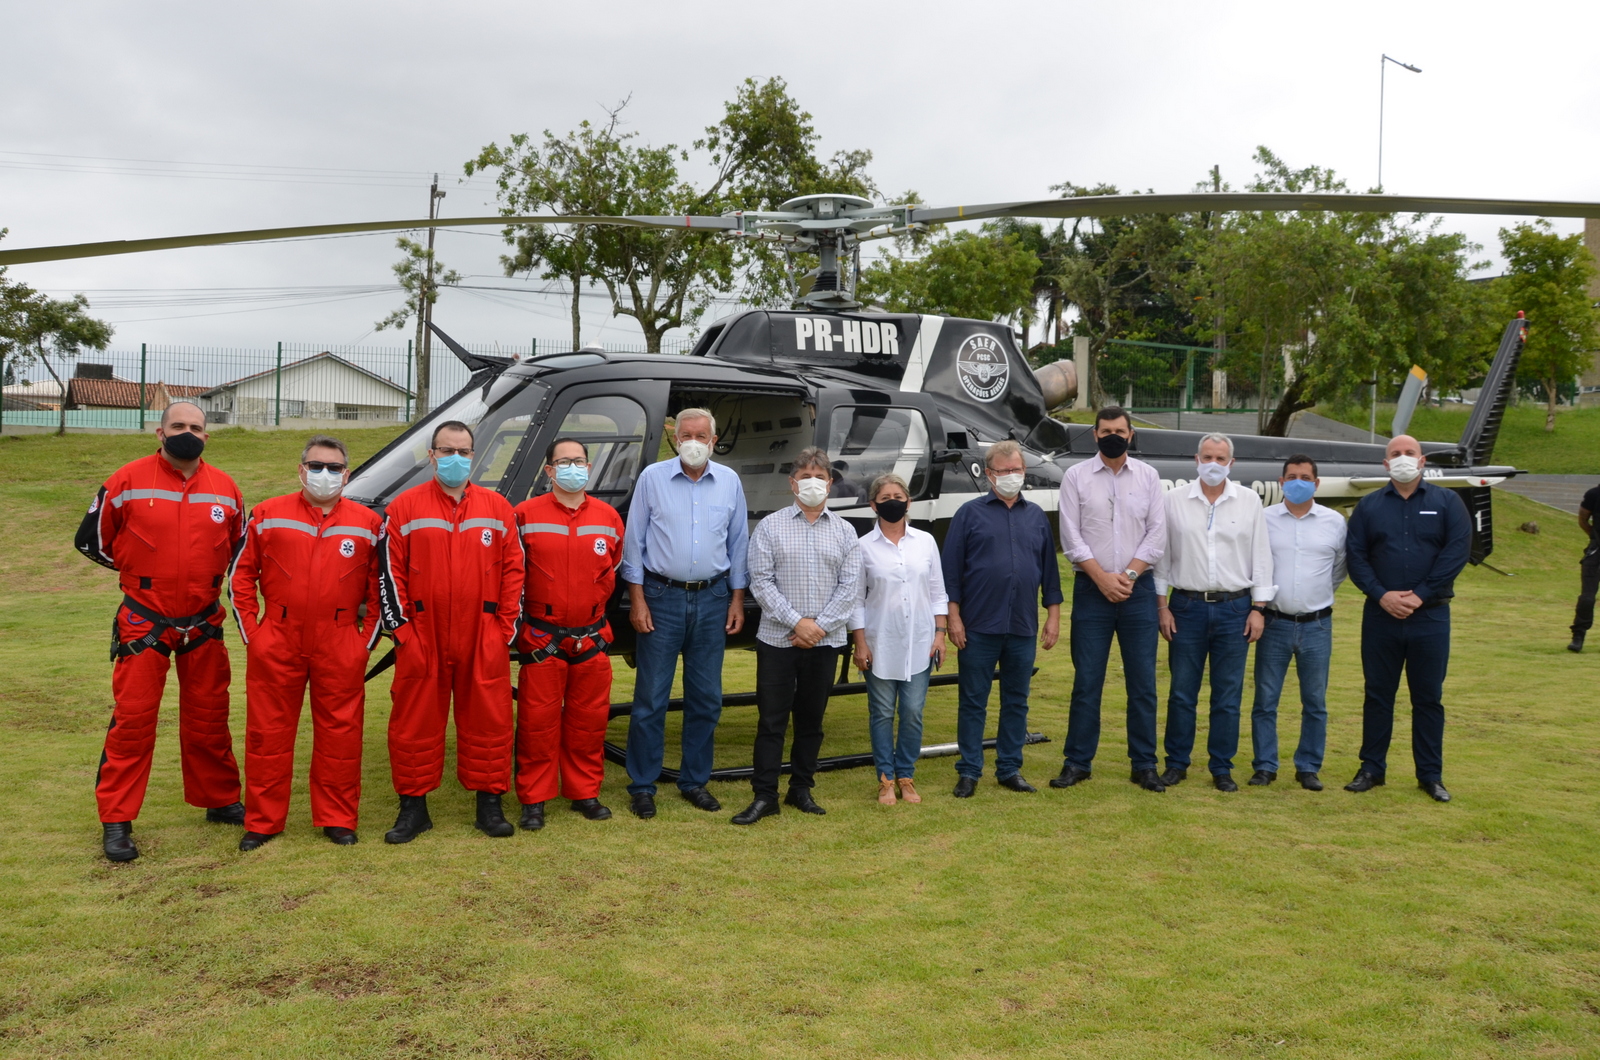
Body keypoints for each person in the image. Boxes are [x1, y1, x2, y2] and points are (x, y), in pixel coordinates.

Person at [75, 401, 246, 862]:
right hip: (143, 619)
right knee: (133, 720)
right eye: (178, 426)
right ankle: (116, 819)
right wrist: (140, 574)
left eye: (195, 427)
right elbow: (92, 541)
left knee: (210, 715)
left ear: (207, 436)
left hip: (204, 620)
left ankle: (220, 799)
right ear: (159, 432)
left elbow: (236, 548)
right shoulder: (126, 480)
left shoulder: (226, 488)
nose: (186, 433)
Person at [229, 435, 381, 849]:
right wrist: (254, 636)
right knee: (267, 734)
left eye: (334, 468)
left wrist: (362, 642)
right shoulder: (267, 514)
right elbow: (241, 577)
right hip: (277, 637)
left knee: (341, 734)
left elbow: (378, 589)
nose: (324, 475)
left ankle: (338, 818)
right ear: (301, 470)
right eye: (316, 466)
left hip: (340, 640)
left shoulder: (367, 523)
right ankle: (262, 822)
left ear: (347, 474)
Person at [376, 419, 524, 841]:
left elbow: (515, 572)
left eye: (463, 452)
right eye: (447, 451)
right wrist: (403, 633)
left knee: (490, 720)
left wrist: (502, 630)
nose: (455, 459)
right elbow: (389, 575)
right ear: (432, 455)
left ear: (474, 456)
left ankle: (489, 805)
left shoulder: (498, 509)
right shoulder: (404, 508)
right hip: (423, 634)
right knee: (413, 723)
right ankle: (413, 810)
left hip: (484, 634)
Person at [621, 408, 748, 820]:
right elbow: (634, 543)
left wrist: (735, 599)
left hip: (712, 599)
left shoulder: (729, 482)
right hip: (661, 598)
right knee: (650, 698)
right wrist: (637, 599)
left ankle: (694, 781)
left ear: (714, 440)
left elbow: (738, 544)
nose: (694, 441)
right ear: (675, 438)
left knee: (706, 698)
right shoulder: (652, 479)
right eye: (686, 434)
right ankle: (642, 785)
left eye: (702, 435)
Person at [734, 448, 864, 824]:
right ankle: (765, 795)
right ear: (792, 483)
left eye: (818, 476)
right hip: (778, 641)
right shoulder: (770, 527)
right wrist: (797, 623)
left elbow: (849, 588)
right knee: (771, 720)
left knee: (811, 720)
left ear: (830, 483)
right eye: (804, 476)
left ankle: (801, 789)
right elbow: (761, 581)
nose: (812, 482)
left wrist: (817, 627)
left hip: (824, 643)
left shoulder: (845, 531)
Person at [1344, 434, 1471, 802]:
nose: (1402, 458)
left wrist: (1420, 594)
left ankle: (1430, 775)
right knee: (1378, 695)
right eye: (1395, 454)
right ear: (1385, 464)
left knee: (1428, 697)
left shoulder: (1448, 502)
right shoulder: (1368, 506)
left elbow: (1456, 553)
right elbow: (1357, 557)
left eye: (1408, 453)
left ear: (1422, 460)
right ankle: (1371, 768)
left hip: (1429, 618)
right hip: (1380, 616)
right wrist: (1382, 595)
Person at [510, 438, 625, 831]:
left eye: (578, 461)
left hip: (592, 637)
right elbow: (512, 575)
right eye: (563, 461)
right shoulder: (524, 514)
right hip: (544, 639)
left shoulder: (609, 517)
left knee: (588, 722)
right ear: (549, 470)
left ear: (589, 466)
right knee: (537, 723)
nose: (572, 467)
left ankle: (584, 793)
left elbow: (613, 570)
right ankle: (534, 799)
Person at [1054, 406, 1168, 793]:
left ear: (1131, 434)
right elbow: (1070, 537)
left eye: (1120, 430)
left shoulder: (1150, 477)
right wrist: (1102, 579)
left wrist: (1128, 576)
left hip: (1137, 591)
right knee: (1087, 681)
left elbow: (1156, 535)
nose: (1113, 436)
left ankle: (1145, 764)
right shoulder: (1075, 476)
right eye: (1106, 430)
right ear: (1095, 435)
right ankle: (1078, 762)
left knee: (1143, 682)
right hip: (1091, 591)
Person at [942, 439, 1062, 797]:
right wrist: (954, 618)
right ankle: (969, 770)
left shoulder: (1036, 516)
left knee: (1016, 700)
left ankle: (1009, 768)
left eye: (1017, 470)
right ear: (989, 474)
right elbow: (951, 573)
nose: (1012, 476)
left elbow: (1051, 574)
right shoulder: (969, 514)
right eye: (1005, 471)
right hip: (978, 626)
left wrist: (1053, 617)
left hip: (1022, 627)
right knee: (973, 700)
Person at [1154, 433, 1274, 792]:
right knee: (1181, 692)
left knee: (1227, 694)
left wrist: (1258, 609)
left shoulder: (1250, 501)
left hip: (1235, 608)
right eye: (1207, 457)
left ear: (1231, 464)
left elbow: (1262, 556)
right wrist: (1162, 606)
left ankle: (1221, 767)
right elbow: (1161, 559)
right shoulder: (1173, 501)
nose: (1213, 464)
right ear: (1196, 459)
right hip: (1186, 606)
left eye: (1221, 459)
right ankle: (1176, 763)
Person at [1249, 455, 1346, 792]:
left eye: (1305, 476)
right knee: (1265, 699)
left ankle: (1308, 766)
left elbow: (1338, 569)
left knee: (1315, 701)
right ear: (1281, 481)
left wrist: (1315, 597)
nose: (1298, 482)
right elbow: (1256, 566)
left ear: (1316, 483)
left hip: (1317, 626)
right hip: (1274, 622)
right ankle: (1264, 765)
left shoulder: (1335, 522)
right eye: (1292, 476)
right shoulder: (1264, 519)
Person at [850, 474, 947, 806]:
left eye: (899, 495)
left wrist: (940, 633)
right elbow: (856, 600)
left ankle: (906, 774)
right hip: (880, 642)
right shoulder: (862, 547)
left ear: (908, 500)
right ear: (874, 504)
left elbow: (937, 591)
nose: (893, 500)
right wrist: (859, 643)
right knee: (880, 712)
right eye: (885, 496)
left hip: (920, 642)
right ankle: (886, 779)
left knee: (913, 710)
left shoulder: (926, 542)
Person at [1568, 482, 1600, 653]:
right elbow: (1583, 520)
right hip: (1596, 552)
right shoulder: (1594, 494)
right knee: (1587, 598)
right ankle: (1578, 635)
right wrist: (1594, 538)